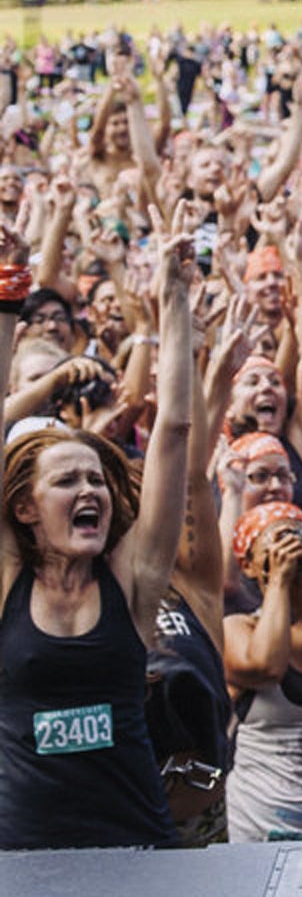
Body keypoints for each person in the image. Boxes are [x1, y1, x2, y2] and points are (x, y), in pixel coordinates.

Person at [0, 231, 196, 849]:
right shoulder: (7, 577)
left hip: (137, 844)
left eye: (96, 479)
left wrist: (173, 297)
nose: (90, 491)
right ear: (26, 508)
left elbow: (174, 431)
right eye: (66, 481)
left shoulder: (130, 581)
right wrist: (8, 291)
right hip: (23, 854)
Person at [223, 501, 302, 842]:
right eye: (279, 537)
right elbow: (264, 667)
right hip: (262, 824)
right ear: (248, 565)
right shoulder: (239, 627)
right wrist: (277, 581)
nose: (292, 543)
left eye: (298, 533)